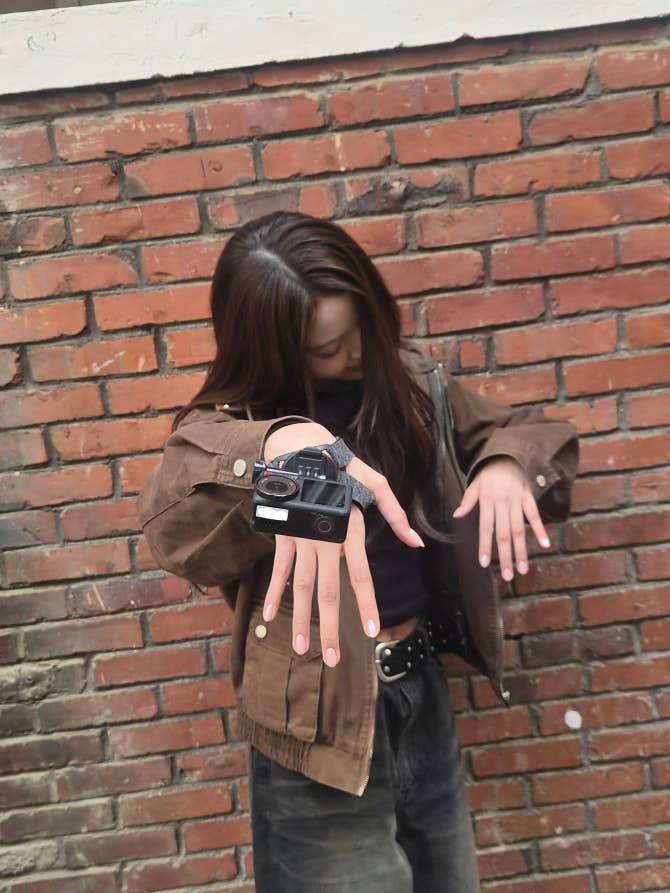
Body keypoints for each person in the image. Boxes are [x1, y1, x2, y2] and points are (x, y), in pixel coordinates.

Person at [137, 211, 579, 893]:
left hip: (420, 693)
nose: (357, 352)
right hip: (315, 724)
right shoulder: (238, 425)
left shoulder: (410, 383)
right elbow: (172, 527)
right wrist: (277, 453)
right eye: (328, 348)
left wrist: (505, 465)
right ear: (277, 350)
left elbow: (532, 431)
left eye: (363, 325)